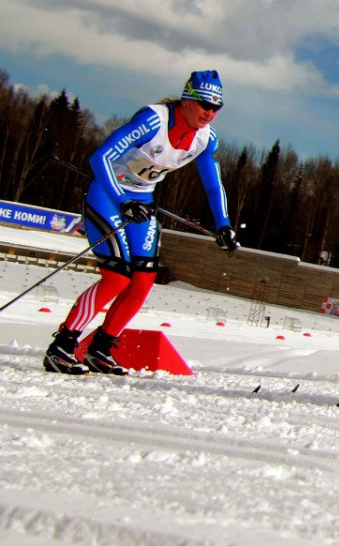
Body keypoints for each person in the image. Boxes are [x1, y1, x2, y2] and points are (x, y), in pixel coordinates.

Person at [43, 70, 239, 375]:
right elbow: (101, 158)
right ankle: (63, 346)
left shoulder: (205, 139)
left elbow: (214, 185)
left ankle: (101, 348)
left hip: (142, 202)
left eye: (217, 108)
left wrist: (223, 224)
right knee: (117, 277)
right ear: (187, 99)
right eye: (204, 104)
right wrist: (123, 202)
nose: (209, 113)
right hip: (109, 196)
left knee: (144, 279)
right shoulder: (153, 120)